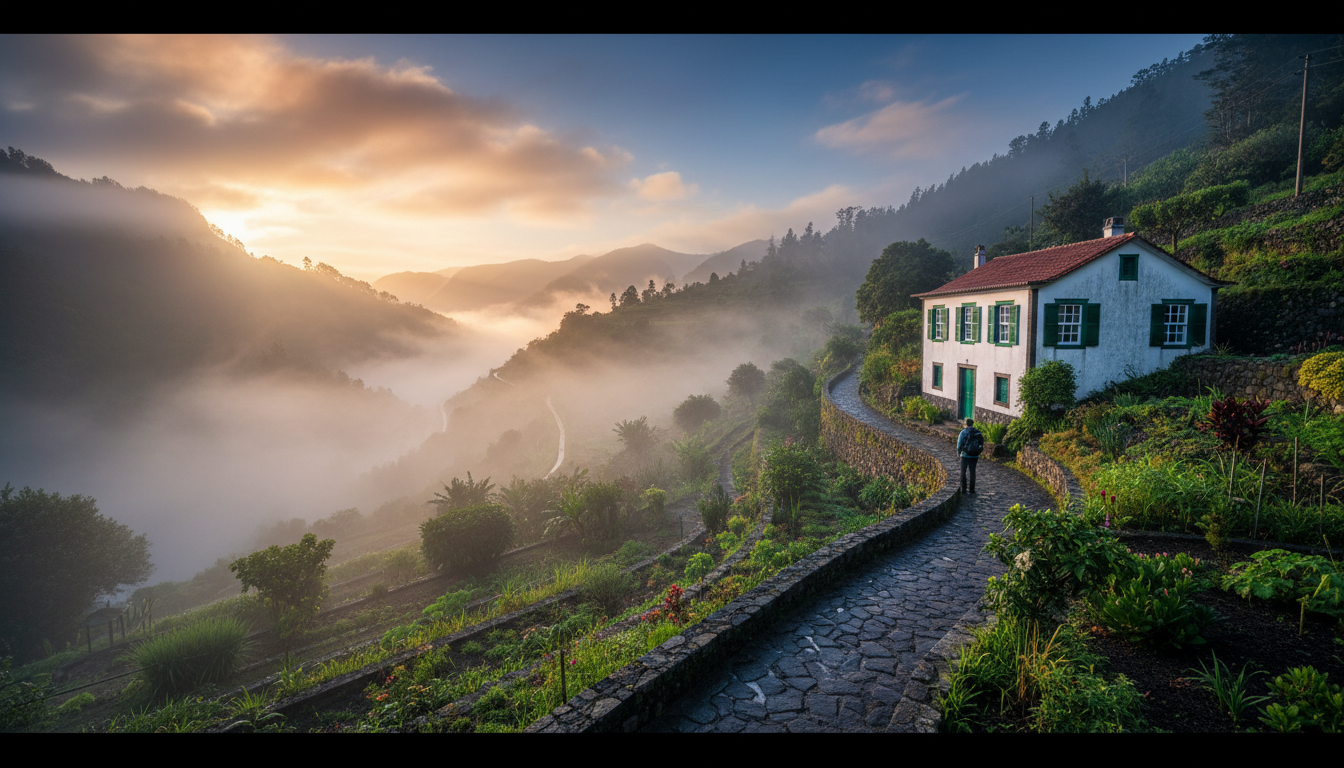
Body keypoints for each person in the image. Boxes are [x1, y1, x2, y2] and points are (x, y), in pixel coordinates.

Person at [956, 418, 983, 494]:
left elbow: (959, 445)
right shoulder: (978, 432)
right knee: (972, 472)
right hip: (974, 456)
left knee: (963, 472)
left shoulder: (963, 432)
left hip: (964, 455)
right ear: (972, 424)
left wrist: (958, 453)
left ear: (966, 424)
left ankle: (963, 489)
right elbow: (981, 444)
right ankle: (972, 490)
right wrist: (977, 453)